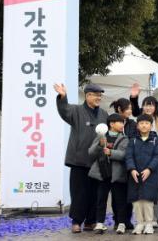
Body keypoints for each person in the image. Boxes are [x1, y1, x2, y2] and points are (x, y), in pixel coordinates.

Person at [54, 83, 109, 233]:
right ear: (88, 95)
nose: (99, 98)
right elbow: (64, 110)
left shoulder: (104, 114)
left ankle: (91, 221)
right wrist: (62, 97)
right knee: (79, 193)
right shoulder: (76, 110)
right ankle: (76, 221)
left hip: (97, 161)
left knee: (95, 193)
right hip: (79, 160)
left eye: (100, 95)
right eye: (96, 95)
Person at [88, 113, 129, 234]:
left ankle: (121, 223)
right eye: (119, 122)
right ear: (111, 124)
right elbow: (91, 152)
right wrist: (100, 145)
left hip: (117, 175)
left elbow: (124, 155)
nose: (122, 125)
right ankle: (100, 223)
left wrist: (111, 152)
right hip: (103, 173)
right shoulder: (101, 136)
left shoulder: (124, 138)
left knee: (119, 200)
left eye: (123, 122)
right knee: (101, 199)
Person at [125, 114, 158, 235]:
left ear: (151, 126)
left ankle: (149, 224)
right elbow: (129, 156)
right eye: (141, 123)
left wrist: (149, 169)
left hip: (150, 175)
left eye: (147, 123)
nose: (144, 125)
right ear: (137, 126)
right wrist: (132, 169)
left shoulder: (156, 141)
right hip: (135, 175)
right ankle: (139, 223)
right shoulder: (133, 140)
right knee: (136, 201)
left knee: (147, 200)